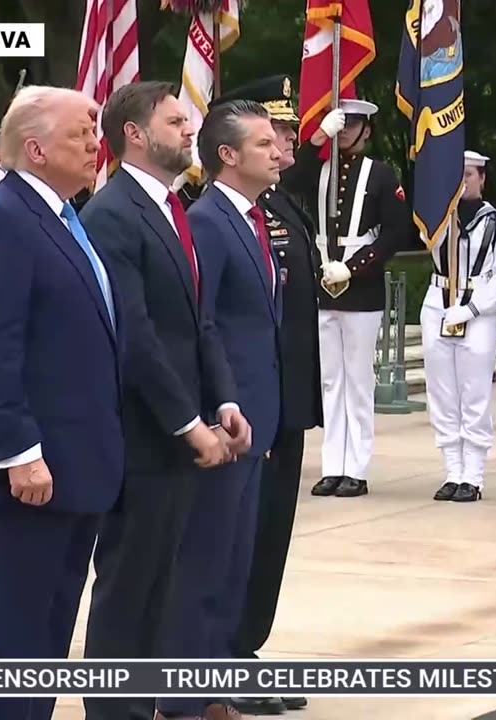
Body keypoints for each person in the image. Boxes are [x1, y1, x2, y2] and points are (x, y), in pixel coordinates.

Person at [0, 85, 123, 720]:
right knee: (13, 637)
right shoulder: (3, 219)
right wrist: (19, 451)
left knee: (45, 636)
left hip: (74, 464)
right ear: (37, 150)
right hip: (31, 470)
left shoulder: (64, 217)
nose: (96, 144)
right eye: (82, 134)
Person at [77, 81, 242, 720]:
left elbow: (197, 321)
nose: (189, 129)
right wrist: (186, 423)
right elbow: (137, 335)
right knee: (130, 585)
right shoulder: (113, 214)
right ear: (135, 135)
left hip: (180, 430)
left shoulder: (174, 208)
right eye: (175, 121)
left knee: (162, 583)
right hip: (142, 434)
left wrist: (223, 402)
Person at [155, 99, 283, 720]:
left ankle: (213, 686)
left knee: (233, 563)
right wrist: (215, 409)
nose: (279, 153)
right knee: (204, 563)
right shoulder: (207, 221)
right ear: (227, 155)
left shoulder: (254, 219)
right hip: (223, 421)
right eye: (264, 144)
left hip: (255, 416)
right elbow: (201, 326)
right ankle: (184, 696)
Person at [213, 76, 319, 717]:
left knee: (269, 533)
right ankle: (224, 652)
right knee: (238, 538)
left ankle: (245, 645)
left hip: (284, 399)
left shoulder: (280, 206)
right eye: (275, 132)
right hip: (251, 402)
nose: (286, 143)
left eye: (284, 132)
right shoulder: (218, 212)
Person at [281, 98, 411, 499]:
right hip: (323, 280)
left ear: (366, 130)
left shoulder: (381, 174)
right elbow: (287, 180)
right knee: (330, 381)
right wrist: (318, 137)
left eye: (352, 125)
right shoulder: (319, 170)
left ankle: (356, 467)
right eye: (341, 124)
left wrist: (355, 268)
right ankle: (333, 465)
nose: (345, 131)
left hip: (361, 287)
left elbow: (396, 231)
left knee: (357, 380)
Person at [423, 150, 496, 503]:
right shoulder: (437, 218)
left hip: (477, 313)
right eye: (457, 175)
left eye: (469, 175)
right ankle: (452, 471)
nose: (463, 182)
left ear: (482, 179)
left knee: (474, 395)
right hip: (439, 304)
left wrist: (472, 309)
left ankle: (473, 476)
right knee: (442, 394)